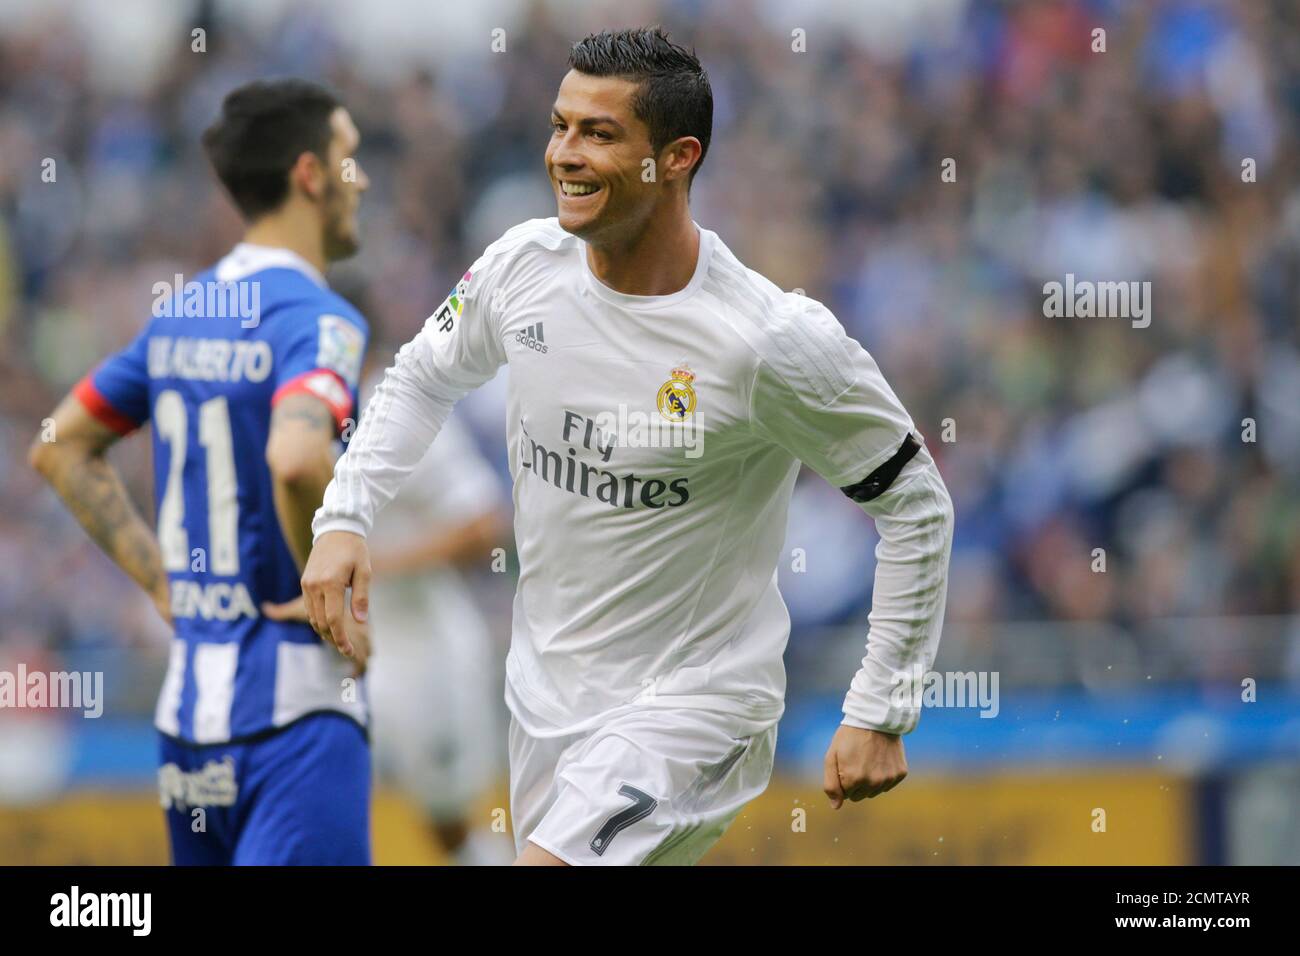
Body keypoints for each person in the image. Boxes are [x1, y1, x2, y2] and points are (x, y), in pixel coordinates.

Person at [303, 27, 954, 866]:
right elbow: (420, 379)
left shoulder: (768, 341)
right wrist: (345, 516)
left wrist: (882, 705)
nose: (564, 154)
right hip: (545, 702)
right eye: (560, 125)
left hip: (696, 706)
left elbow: (914, 501)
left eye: (599, 134)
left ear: (677, 157)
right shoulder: (521, 271)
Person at [30, 78, 374, 865]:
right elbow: (296, 455)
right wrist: (338, 600)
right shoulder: (320, 320)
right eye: (350, 157)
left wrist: (160, 582)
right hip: (296, 721)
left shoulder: (183, 314)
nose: (365, 179)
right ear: (310, 175)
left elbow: (58, 445)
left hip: (188, 731)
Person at [363, 365, 513, 866]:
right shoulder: (305, 410)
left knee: (449, 823)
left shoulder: (397, 415)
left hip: (426, 654)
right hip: (355, 650)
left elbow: (483, 522)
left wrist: (378, 565)